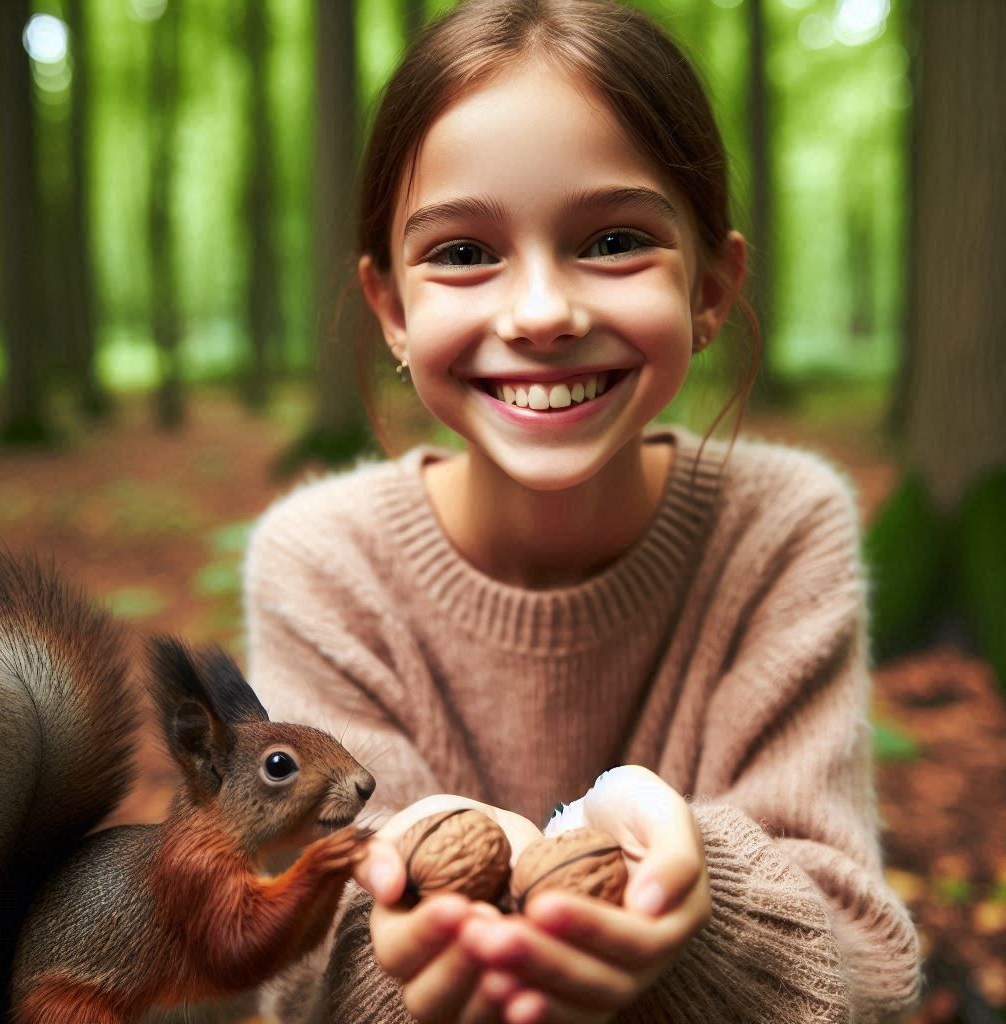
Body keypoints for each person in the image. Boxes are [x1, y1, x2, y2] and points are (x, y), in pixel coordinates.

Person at [244, 1, 921, 1021]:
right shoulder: (323, 559)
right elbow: (289, 967)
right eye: (464, 254)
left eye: (612, 239)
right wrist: (409, 933)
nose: (540, 313)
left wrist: (702, 905)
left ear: (711, 287)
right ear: (390, 308)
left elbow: (863, 965)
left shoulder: (780, 529)